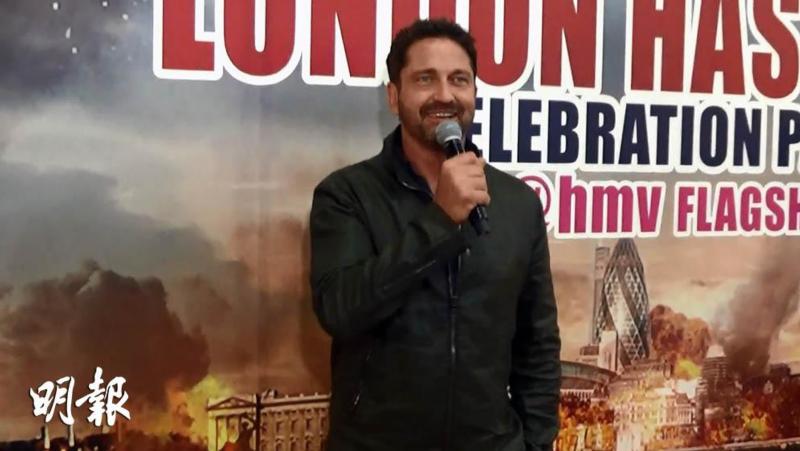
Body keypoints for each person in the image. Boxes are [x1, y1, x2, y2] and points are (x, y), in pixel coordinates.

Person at [309, 19, 561, 451]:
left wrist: (535, 444)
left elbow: (537, 345)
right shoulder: (347, 195)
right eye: (425, 79)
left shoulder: (518, 203)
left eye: (458, 80)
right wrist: (440, 221)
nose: (444, 95)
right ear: (394, 96)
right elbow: (340, 310)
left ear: (474, 93)